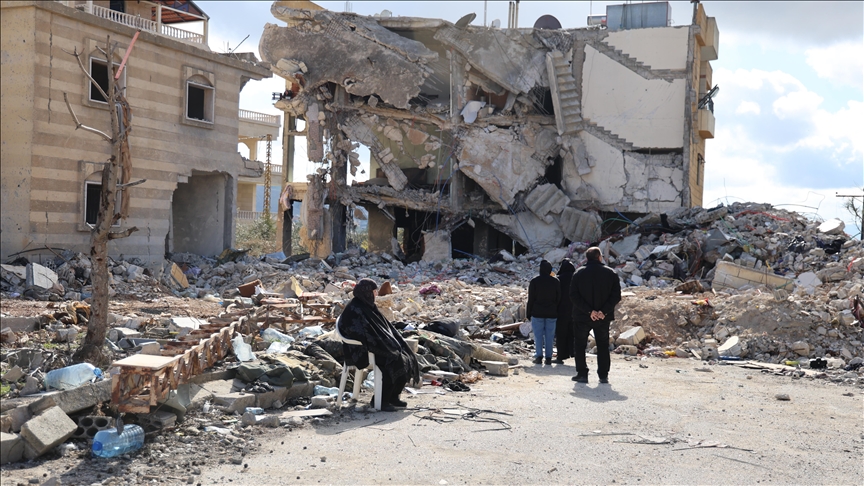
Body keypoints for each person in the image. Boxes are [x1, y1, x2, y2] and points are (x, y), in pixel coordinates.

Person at [338, 279, 419, 411]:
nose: (376, 294)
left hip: (371, 344)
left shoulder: (366, 305)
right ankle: (381, 401)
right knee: (392, 358)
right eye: (374, 292)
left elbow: (380, 327)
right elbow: (361, 332)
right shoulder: (355, 309)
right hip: (359, 348)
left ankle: (393, 396)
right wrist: (382, 343)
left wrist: (389, 340)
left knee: (405, 354)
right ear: (366, 292)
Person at [570, 247, 622, 384]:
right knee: (603, 345)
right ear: (599, 257)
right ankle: (603, 375)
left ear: (587, 258)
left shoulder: (578, 273)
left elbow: (573, 296)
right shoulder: (611, 273)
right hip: (602, 318)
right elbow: (616, 296)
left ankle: (582, 374)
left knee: (580, 345)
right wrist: (602, 311)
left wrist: (589, 311)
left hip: (582, 316)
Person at [526, 260, 560, 365]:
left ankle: (539, 356)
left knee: (538, 336)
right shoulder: (555, 282)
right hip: (551, 313)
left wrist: (528, 313)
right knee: (550, 336)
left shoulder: (534, 281)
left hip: (537, 312)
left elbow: (531, 299)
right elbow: (558, 298)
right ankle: (549, 357)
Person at [554, 259, 576, 364]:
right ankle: (575, 353)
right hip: (575, 310)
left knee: (561, 333)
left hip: (561, 310)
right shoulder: (577, 278)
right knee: (574, 333)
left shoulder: (558, 279)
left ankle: (561, 356)